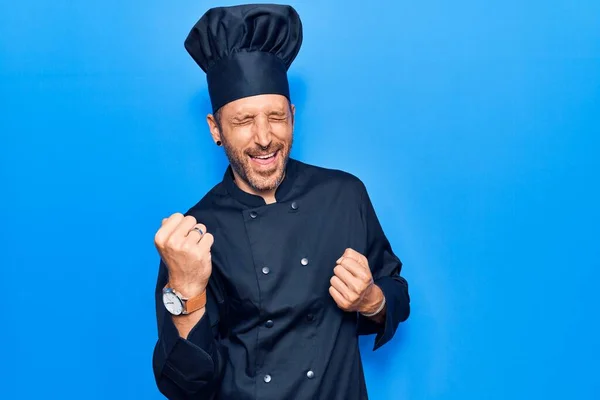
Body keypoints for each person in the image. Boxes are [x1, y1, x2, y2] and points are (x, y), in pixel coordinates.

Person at [151, 4, 410, 400]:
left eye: (275, 117)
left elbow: (395, 290)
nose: (264, 137)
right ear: (215, 129)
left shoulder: (344, 194)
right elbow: (184, 383)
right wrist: (185, 290)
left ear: (292, 115)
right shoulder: (195, 234)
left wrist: (371, 299)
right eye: (242, 121)